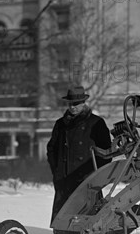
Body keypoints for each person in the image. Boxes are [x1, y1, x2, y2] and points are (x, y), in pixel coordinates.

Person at [47, 86, 112, 222]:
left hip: (87, 181)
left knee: (89, 218)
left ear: (83, 103)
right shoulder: (60, 124)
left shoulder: (96, 123)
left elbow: (107, 152)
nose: (72, 107)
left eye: (76, 104)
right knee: (62, 219)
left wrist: (96, 175)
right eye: (70, 104)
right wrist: (57, 171)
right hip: (64, 180)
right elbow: (52, 149)